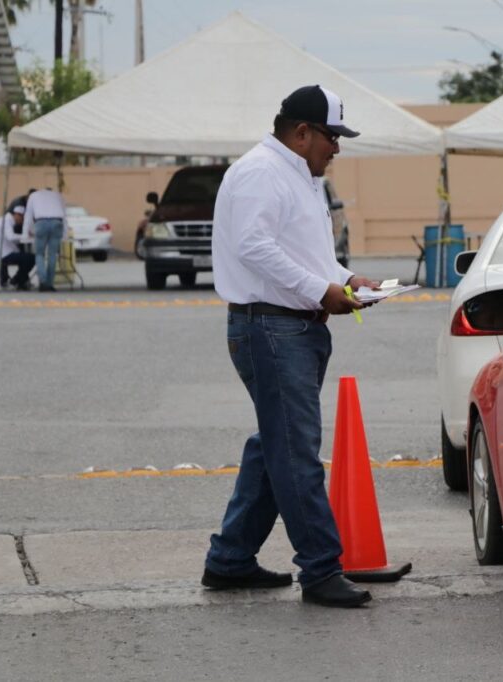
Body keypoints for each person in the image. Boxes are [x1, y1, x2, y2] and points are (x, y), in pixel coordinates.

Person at [204, 85, 380, 608]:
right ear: (301, 133)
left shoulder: (299, 176)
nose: (337, 147)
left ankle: (230, 560)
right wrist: (321, 291)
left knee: (274, 445)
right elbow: (252, 247)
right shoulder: (262, 172)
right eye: (332, 136)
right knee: (295, 452)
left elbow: (307, 253)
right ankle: (321, 570)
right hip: (271, 328)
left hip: (294, 327)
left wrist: (346, 280)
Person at [23, 187, 69, 292]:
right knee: (52, 255)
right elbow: (64, 216)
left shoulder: (33, 196)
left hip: (41, 222)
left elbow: (28, 216)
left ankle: (43, 282)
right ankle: (50, 283)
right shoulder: (58, 195)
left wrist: (26, 233)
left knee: (39, 254)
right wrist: (65, 234)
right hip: (57, 222)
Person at [0, 202, 34, 290]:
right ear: (17, 215)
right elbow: (11, 237)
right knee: (32, 259)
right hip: (4, 254)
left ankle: (20, 281)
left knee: (25, 256)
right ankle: (16, 280)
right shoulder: (7, 221)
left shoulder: (6, 219)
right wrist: (25, 236)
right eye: (22, 219)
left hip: (3, 252)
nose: (22, 222)